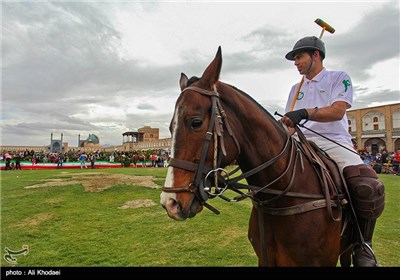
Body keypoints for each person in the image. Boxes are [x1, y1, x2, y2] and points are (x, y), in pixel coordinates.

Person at [280, 36, 385, 267]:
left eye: (299, 57)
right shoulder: (294, 89)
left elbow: (337, 112)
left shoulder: (339, 78)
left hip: (333, 140)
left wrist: (304, 112)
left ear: (315, 55)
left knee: (367, 185)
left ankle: (362, 244)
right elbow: (290, 123)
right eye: (294, 59)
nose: (295, 62)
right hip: (300, 141)